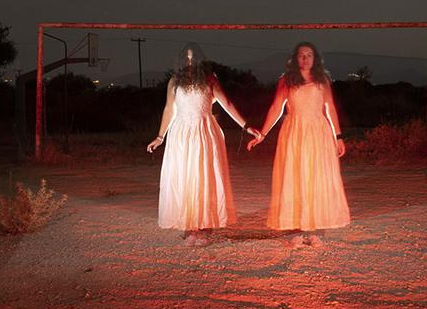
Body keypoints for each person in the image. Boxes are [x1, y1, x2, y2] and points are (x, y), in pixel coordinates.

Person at [147, 43, 256, 246]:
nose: (190, 63)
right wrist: (160, 137)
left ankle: (204, 223)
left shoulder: (210, 80)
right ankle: (190, 224)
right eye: (186, 59)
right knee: (185, 178)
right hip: (181, 134)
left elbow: (228, 104)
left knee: (205, 176)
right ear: (181, 61)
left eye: (193, 59)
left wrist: (246, 126)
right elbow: (169, 109)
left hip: (205, 132)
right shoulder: (174, 82)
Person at [246, 41, 350, 246]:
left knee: (315, 177)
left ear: (315, 59)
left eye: (309, 55)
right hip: (294, 132)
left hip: (317, 132)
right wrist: (263, 134)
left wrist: (338, 136)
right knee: (296, 177)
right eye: (301, 55)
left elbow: (330, 108)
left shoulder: (322, 81)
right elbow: (276, 107)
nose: (305, 59)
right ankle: (298, 229)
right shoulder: (286, 81)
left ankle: (312, 228)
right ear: (295, 58)